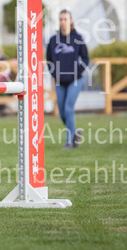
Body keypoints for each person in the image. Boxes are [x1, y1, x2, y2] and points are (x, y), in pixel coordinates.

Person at [46, 9, 89, 149]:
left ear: (71, 21)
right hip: (59, 81)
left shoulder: (78, 38)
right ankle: (74, 132)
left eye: (65, 19)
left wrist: (77, 72)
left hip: (75, 80)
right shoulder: (53, 40)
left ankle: (69, 141)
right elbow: (49, 61)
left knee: (69, 109)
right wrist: (54, 74)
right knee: (62, 113)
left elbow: (86, 59)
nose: (63, 22)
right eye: (61, 19)